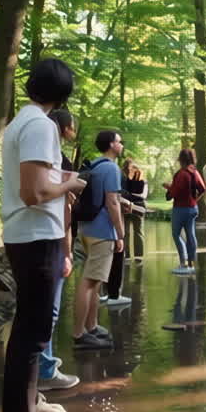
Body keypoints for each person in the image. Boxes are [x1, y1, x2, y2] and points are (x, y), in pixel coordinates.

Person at [0, 58, 87, 412]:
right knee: (33, 334)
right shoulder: (40, 126)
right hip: (37, 235)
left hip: (27, 235)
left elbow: (32, 182)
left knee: (28, 329)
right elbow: (33, 192)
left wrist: (61, 182)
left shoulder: (21, 121)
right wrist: (70, 182)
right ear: (64, 95)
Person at [35, 109, 82, 392]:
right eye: (72, 126)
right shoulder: (53, 158)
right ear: (64, 129)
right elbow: (56, 202)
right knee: (47, 311)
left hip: (44, 235)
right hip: (49, 238)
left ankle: (46, 362)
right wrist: (71, 185)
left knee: (43, 310)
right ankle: (43, 370)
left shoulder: (42, 156)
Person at [73, 130, 126, 350]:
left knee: (94, 282)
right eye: (119, 141)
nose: (121, 145)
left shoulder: (94, 165)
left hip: (86, 229)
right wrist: (121, 233)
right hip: (103, 231)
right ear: (112, 145)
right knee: (89, 283)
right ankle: (79, 334)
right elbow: (112, 202)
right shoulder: (112, 167)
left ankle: (92, 326)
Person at [163, 149, 205, 275]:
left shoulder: (181, 174)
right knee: (191, 235)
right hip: (193, 208)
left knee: (176, 234)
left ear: (181, 160)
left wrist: (168, 187)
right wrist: (195, 200)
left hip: (180, 208)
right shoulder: (195, 172)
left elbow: (175, 192)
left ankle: (184, 262)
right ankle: (191, 263)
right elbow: (202, 189)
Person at [122, 159, 148, 262]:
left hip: (130, 205)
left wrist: (129, 195)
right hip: (135, 205)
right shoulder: (126, 180)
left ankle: (129, 256)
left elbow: (142, 195)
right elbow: (143, 195)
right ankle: (136, 256)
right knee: (135, 231)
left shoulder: (124, 180)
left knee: (128, 231)